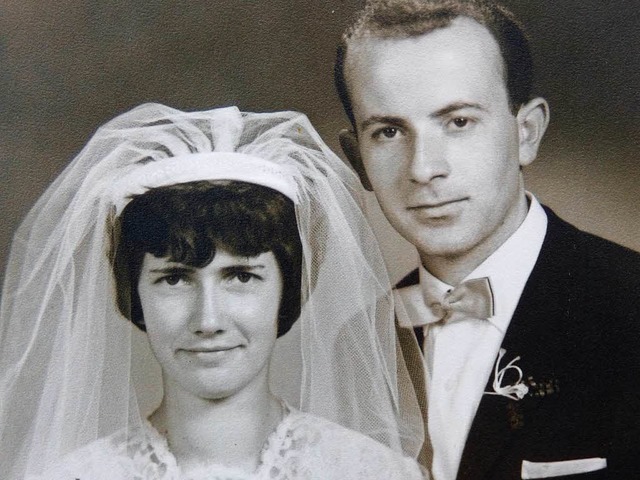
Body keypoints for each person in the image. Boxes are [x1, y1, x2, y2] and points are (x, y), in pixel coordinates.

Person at [0, 104, 426, 479]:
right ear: (135, 293)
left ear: (286, 289)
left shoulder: (371, 473)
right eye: (174, 278)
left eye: (241, 277)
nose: (208, 321)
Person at [334, 1, 640, 479]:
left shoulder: (629, 306)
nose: (423, 168)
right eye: (389, 132)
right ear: (357, 159)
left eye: (458, 122)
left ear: (527, 133)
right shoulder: (357, 343)